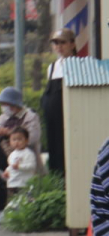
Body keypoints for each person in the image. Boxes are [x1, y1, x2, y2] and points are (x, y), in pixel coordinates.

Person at [41, 28, 78, 176]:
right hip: (52, 121)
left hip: (68, 118)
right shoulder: (52, 67)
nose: (58, 46)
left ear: (72, 44)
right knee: (54, 150)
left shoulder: (78, 64)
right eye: (55, 43)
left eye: (62, 42)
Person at [0, 86, 42, 163]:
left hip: (25, 160)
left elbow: (32, 138)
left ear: (14, 104)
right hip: (4, 159)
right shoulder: (3, 116)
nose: (3, 107)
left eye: (5, 104)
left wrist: (9, 133)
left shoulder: (31, 117)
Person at [3, 127, 39, 200]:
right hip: (12, 183)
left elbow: (32, 166)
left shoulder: (28, 153)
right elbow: (11, 166)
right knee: (13, 201)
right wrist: (7, 171)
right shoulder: (12, 154)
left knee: (25, 200)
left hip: (24, 183)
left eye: (19, 139)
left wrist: (20, 167)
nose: (16, 142)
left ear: (26, 141)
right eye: (14, 140)